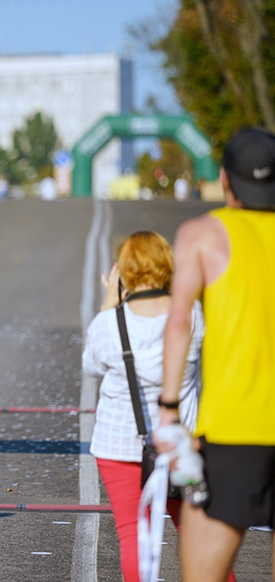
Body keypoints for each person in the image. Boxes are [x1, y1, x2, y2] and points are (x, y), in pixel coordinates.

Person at [157, 126, 275, 582]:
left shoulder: (203, 234)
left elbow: (179, 319)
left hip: (234, 430)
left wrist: (169, 410)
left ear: (225, 180)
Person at [82, 231, 233, 582]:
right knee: (200, 536)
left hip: (119, 446)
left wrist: (110, 300)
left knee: (132, 535)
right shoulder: (192, 315)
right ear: (167, 266)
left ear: (126, 272)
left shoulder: (110, 323)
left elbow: (91, 365)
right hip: (180, 443)